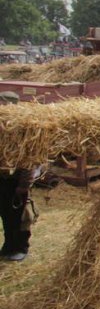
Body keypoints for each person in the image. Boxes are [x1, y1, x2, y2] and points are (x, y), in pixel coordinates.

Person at [0, 91, 42, 262]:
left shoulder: (24, 128)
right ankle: (8, 246)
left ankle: (20, 248)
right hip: (3, 178)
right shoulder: (4, 127)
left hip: (17, 181)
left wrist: (24, 184)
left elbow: (30, 159)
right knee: (6, 214)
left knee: (20, 217)